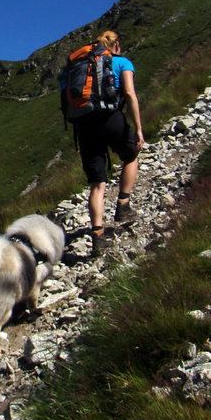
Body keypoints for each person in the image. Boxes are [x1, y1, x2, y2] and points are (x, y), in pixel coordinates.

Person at [73, 30, 145, 255]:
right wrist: (139, 129)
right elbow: (130, 94)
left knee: (97, 182)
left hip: (84, 124)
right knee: (130, 155)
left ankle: (98, 237)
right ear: (117, 45)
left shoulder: (82, 66)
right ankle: (123, 205)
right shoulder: (122, 62)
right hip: (110, 118)